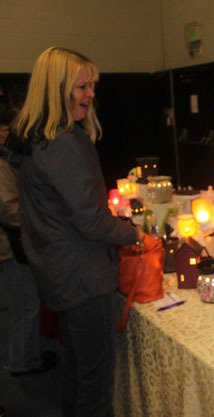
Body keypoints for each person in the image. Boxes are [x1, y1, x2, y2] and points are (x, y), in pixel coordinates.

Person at [13, 47, 143, 417]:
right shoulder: (63, 143)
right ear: (56, 90)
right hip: (83, 278)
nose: (91, 94)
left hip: (63, 275)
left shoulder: (39, 140)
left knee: (76, 373)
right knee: (95, 387)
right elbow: (90, 221)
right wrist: (133, 234)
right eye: (82, 87)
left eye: (92, 86)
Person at [0, 104, 56, 377]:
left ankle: (30, 354)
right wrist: (38, 219)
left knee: (27, 303)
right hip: (10, 247)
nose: (7, 135)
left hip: (14, 244)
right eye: (4, 130)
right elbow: (9, 210)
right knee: (25, 305)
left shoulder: (8, 159)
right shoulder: (1, 165)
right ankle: (22, 362)